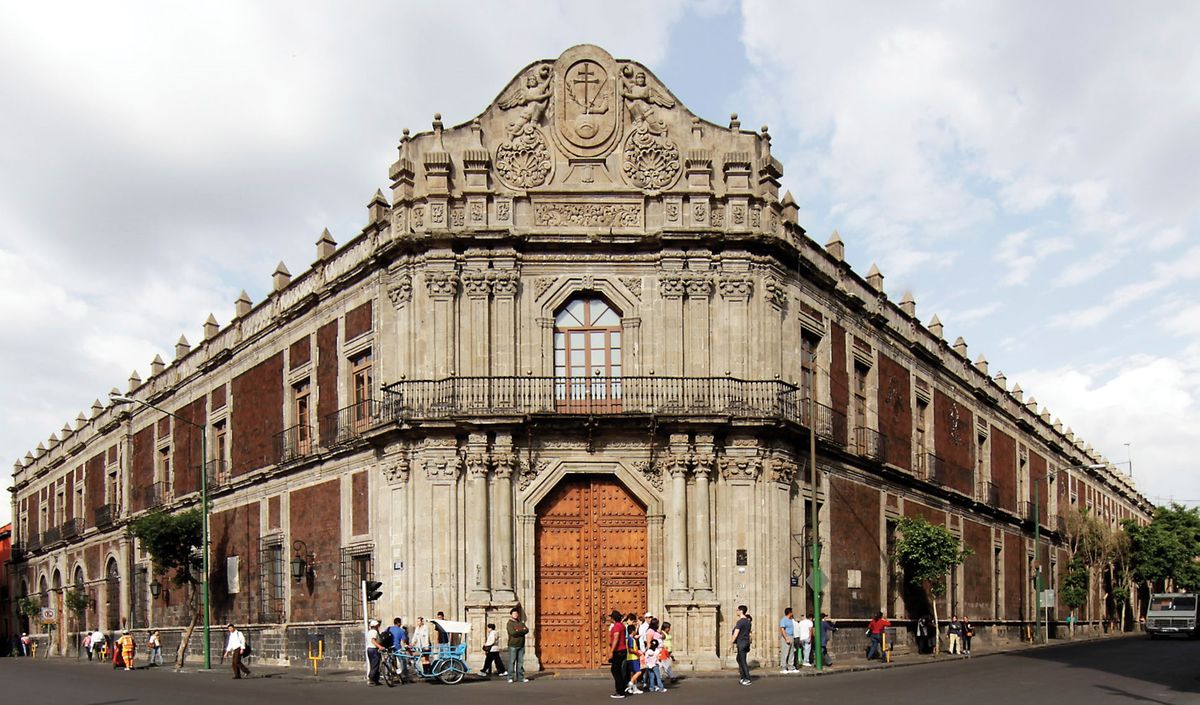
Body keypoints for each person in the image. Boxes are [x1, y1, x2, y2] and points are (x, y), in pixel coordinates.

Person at [608, 609, 628, 699]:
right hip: (623, 650)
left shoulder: (616, 626)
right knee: (618, 670)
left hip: (618, 651)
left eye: (611, 617)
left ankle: (620, 691)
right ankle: (622, 688)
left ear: (613, 618)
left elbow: (616, 639)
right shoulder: (622, 626)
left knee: (615, 670)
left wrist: (612, 651)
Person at [506, 607, 529, 683]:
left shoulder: (521, 623)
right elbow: (513, 633)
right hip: (513, 645)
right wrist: (521, 631)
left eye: (516, 613)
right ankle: (510, 677)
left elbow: (526, 630)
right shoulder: (509, 623)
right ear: (511, 615)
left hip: (521, 645)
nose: (515, 615)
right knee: (512, 662)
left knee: (520, 663)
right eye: (514, 613)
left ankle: (520, 677)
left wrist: (518, 631)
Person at [730, 604, 752, 685]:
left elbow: (736, 634)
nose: (737, 611)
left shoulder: (740, 622)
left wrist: (731, 643)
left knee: (742, 661)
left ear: (741, 611)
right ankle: (743, 677)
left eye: (738, 610)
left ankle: (747, 678)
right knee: (739, 659)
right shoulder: (748, 621)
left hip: (741, 643)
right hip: (745, 642)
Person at [625, 623, 643, 694]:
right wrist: (637, 653)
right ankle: (630, 683)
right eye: (635, 630)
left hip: (630, 658)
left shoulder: (631, 638)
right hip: (633, 658)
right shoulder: (631, 639)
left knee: (633, 673)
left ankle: (634, 688)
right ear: (633, 631)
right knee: (639, 672)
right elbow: (630, 649)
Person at [366, 618, 383, 686]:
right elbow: (373, 640)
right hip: (373, 649)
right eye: (377, 625)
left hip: (369, 649)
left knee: (374, 664)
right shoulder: (374, 632)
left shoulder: (369, 632)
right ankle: (371, 678)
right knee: (375, 665)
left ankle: (376, 679)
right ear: (375, 626)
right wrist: (380, 646)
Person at [778, 607, 795, 673]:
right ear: (789, 613)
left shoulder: (790, 620)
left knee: (791, 652)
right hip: (786, 636)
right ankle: (783, 667)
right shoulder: (784, 620)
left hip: (791, 636)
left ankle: (791, 666)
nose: (792, 613)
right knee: (785, 652)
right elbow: (782, 629)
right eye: (791, 612)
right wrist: (786, 638)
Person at [659, 621, 674, 686]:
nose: (669, 629)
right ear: (665, 627)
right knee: (666, 665)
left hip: (668, 651)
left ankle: (662, 677)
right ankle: (671, 677)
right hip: (664, 651)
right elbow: (660, 641)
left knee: (664, 665)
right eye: (668, 627)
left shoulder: (666, 633)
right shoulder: (662, 634)